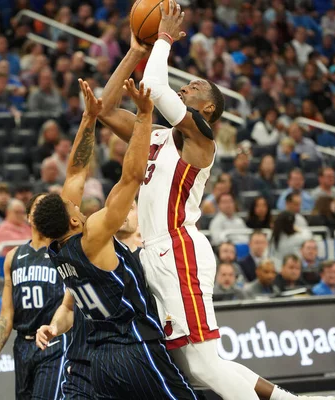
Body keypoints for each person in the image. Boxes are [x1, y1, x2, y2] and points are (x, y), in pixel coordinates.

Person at [97, 7, 333, 400]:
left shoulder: (200, 139)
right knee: (196, 363)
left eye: (193, 87)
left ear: (207, 108)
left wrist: (164, 41)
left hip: (179, 250)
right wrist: (135, 52)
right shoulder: (155, 136)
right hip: (153, 253)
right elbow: (103, 110)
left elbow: (155, 88)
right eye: (185, 85)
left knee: (203, 363)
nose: (185, 88)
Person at [32, 78, 198, 398]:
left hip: (100, 361)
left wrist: (88, 118)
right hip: (134, 347)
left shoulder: (55, 248)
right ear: (73, 219)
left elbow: (76, 173)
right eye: (72, 205)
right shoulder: (92, 236)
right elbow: (132, 177)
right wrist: (144, 116)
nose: (76, 202)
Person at [0, 193, 67, 399]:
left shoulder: (63, 251)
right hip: (23, 345)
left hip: (53, 342)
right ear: (29, 217)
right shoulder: (13, 257)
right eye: (40, 206)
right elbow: (6, 315)